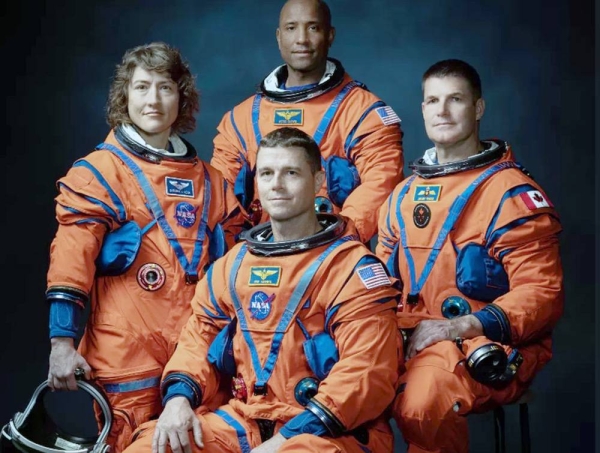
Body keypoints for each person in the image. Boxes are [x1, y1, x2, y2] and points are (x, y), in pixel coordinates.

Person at [123, 127, 400, 453]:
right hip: (245, 420)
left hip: (328, 430)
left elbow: (366, 372)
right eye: (266, 173)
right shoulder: (233, 266)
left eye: (291, 173)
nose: (277, 184)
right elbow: (198, 340)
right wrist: (178, 401)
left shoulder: (353, 269)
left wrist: (283, 440)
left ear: (319, 182)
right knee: (151, 446)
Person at [46, 42, 244, 453]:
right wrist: (61, 344)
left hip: (198, 351)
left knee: (199, 444)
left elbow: (239, 267)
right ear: (125, 97)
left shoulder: (212, 184)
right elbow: (70, 261)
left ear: (181, 97)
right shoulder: (99, 173)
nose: (153, 99)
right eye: (141, 88)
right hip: (127, 355)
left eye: (165, 88)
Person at [376, 59, 563, 453]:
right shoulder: (401, 196)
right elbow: (379, 286)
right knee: (338, 395)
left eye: (455, 99)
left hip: (481, 342)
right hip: (408, 336)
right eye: (433, 101)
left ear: (477, 109)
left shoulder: (512, 194)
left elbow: (542, 293)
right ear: (423, 109)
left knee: (421, 406)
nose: (442, 111)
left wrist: (459, 327)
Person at [210, 0, 404, 243]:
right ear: (279, 37)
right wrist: (236, 254)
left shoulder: (363, 113)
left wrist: (335, 242)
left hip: (332, 258)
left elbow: (381, 184)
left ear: (330, 35)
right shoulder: (241, 120)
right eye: (291, 28)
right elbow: (219, 197)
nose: (301, 39)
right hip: (256, 258)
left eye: (313, 28)